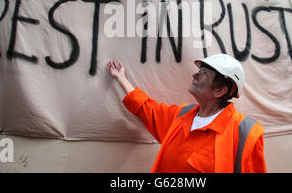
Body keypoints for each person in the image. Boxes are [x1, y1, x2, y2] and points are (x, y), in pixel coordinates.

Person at [107, 53, 267, 173]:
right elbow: (147, 109)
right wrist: (122, 78)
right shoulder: (181, 116)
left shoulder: (245, 134)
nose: (195, 75)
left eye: (204, 73)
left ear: (219, 90)